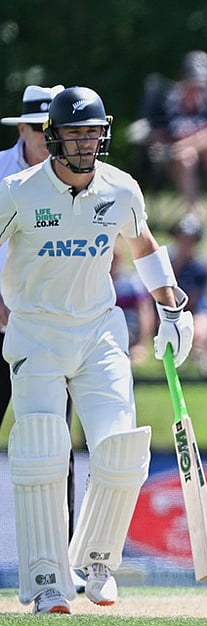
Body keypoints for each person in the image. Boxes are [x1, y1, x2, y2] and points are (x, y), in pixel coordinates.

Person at [0, 86, 194, 614]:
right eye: (74, 134)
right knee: (43, 449)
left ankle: (98, 564)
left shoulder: (122, 189)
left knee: (120, 447)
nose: (85, 144)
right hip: (35, 332)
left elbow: (143, 243)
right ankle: (45, 581)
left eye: (92, 133)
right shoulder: (17, 192)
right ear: (52, 137)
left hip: (98, 331)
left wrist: (171, 306)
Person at [0, 84, 65, 426]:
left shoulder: (78, 177)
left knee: (54, 437)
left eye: (52, 127)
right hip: (1, 322)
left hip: (55, 326)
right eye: (38, 127)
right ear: (21, 128)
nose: (46, 136)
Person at [138, 50, 207, 215]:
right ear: (182, 77)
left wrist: (188, 144)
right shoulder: (165, 98)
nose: (198, 86)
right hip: (173, 160)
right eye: (193, 81)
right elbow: (153, 130)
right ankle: (194, 214)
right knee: (186, 156)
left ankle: (193, 214)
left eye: (202, 81)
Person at [168, 212, 207, 376]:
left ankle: (205, 359)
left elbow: (193, 299)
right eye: (183, 238)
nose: (186, 243)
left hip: (197, 310)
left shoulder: (201, 267)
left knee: (199, 328)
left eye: (190, 239)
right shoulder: (166, 264)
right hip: (171, 310)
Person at [111, 243, 155, 363]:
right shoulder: (94, 281)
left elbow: (145, 312)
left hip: (128, 333)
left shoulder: (132, 281)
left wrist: (141, 345)